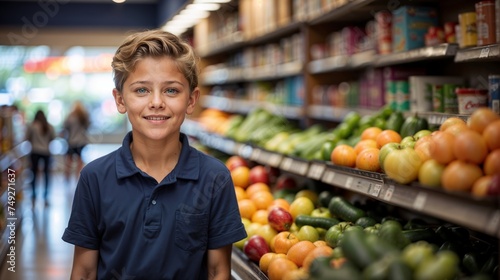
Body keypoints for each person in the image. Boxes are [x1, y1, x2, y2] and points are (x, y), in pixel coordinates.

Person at [62, 29, 247, 280]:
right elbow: (84, 272)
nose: (157, 102)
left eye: (171, 90)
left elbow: (218, 271)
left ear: (191, 101)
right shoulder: (94, 178)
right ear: (120, 100)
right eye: (141, 90)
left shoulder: (215, 178)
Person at [25, 109, 56, 206]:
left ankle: (34, 196)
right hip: (46, 152)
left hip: (34, 151)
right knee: (46, 175)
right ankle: (46, 196)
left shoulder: (32, 126)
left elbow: (27, 138)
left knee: (34, 174)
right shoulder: (49, 126)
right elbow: (53, 138)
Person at [62, 100, 90, 182]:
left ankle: (67, 178)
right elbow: (88, 126)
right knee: (79, 161)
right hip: (81, 141)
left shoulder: (70, 116)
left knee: (69, 161)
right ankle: (77, 178)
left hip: (72, 141)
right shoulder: (84, 117)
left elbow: (65, 126)